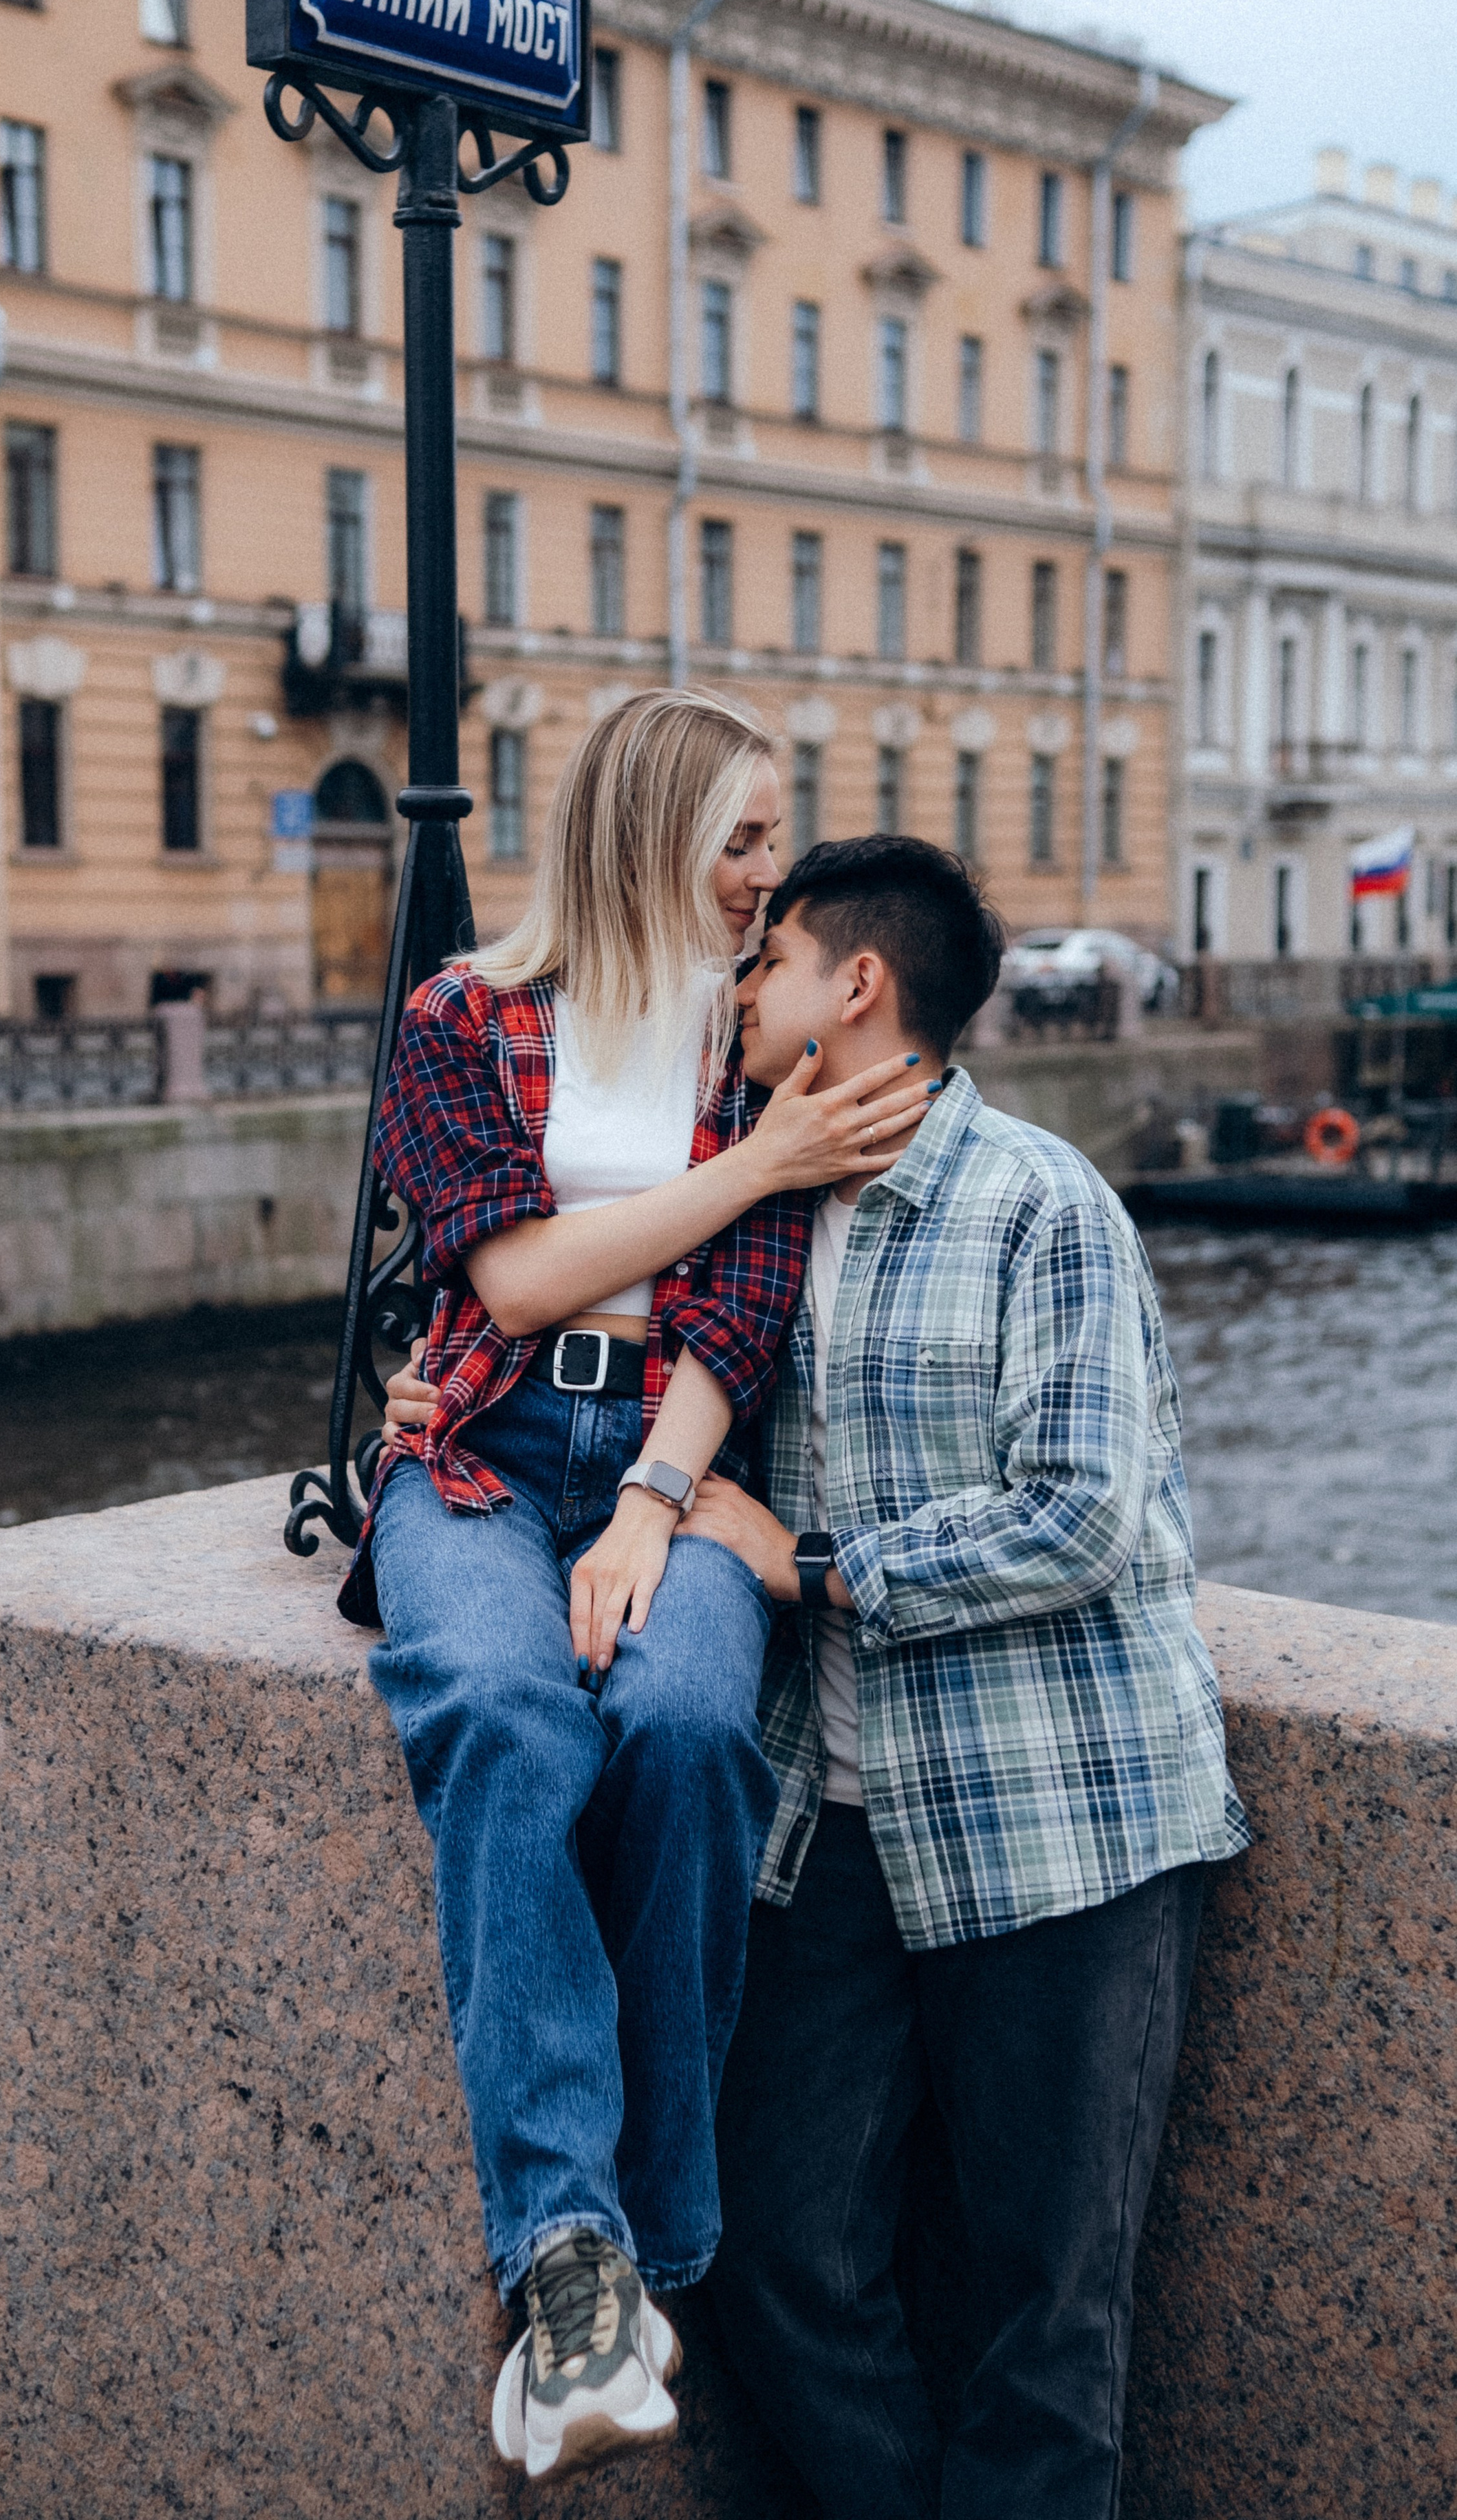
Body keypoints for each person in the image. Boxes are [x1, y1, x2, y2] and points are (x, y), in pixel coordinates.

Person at [389, 832, 1249, 2518]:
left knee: (1045, 2316)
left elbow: (1084, 1517)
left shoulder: (1037, 1202)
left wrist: (815, 1565)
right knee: (773, 2258)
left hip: (1054, 1820)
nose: (740, 980)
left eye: (769, 955)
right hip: (829, 1826)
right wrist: (429, 1396)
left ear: (852, 986)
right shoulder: (755, 1203)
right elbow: (570, 1352)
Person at [342, 696, 936, 2484]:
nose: (771, 873)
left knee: (682, 1725)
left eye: (775, 837)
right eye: (741, 837)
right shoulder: (464, 1017)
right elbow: (515, 1283)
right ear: (649, 828)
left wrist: (653, 1504)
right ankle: (572, 2254)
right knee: (507, 1713)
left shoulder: (756, 1028)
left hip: (673, 1452)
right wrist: (758, 1160)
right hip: (478, 1446)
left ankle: (638, 2257)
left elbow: (738, 1313)